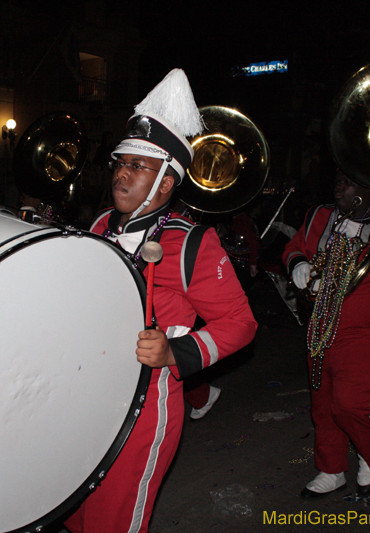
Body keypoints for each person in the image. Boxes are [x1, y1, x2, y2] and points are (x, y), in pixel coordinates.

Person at [64, 69, 257, 533]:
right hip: (89, 399)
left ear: (166, 184)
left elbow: (240, 323)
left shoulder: (192, 243)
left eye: (137, 166)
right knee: (76, 517)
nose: (122, 173)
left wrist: (176, 352)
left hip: (145, 409)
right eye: (120, 162)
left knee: (114, 522)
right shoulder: (101, 224)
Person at [282, 172, 370, 500]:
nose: (338, 185)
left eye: (348, 182)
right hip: (320, 326)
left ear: (369, 189)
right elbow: (294, 247)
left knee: (350, 405)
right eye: (338, 180)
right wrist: (298, 264)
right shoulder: (320, 216)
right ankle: (331, 469)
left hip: (366, 334)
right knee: (322, 406)